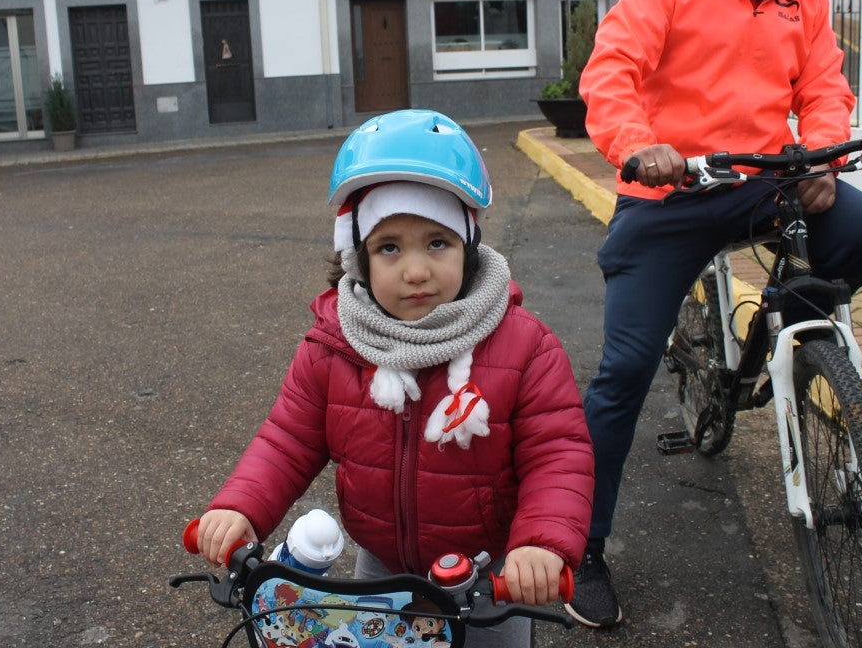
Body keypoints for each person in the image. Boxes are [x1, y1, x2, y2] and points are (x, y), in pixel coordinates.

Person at [565, 0, 862, 629]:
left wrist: (822, 161)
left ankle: (790, 336)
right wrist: (637, 146)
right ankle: (579, 545)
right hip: (672, 186)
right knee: (623, 370)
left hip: (768, 181)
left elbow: (824, 88)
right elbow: (611, 73)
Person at [194, 109, 595, 648]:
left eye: (437, 243)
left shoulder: (525, 346)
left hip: (490, 574)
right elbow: (287, 440)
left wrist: (541, 544)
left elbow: (558, 453)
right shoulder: (334, 346)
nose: (416, 270)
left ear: (468, 247)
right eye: (389, 247)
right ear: (358, 258)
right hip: (380, 564)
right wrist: (240, 506)